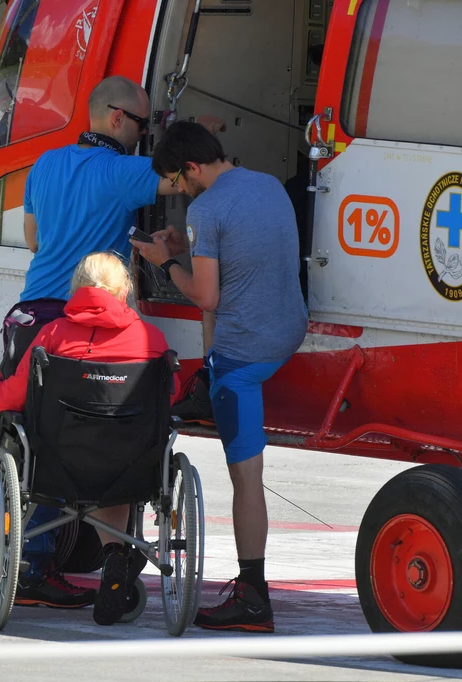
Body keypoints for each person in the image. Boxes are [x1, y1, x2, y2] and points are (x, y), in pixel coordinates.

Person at [0, 75, 210, 609]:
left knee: (8, 426)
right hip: (75, 320)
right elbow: (186, 180)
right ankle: (34, 565)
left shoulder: (44, 166)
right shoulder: (123, 171)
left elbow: (37, 239)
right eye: (142, 124)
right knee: (67, 435)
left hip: (29, 310)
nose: (144, 135)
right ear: (116, 119)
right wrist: (201, 139)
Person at [131, 121, 308, 633]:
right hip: (288, 331)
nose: (180, 191)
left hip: (245, 354)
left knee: (245, 481)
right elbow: (245, 254)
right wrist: (185, 246)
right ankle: (211, 383)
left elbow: (206, 296)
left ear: (190, 167)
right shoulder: (267, 184)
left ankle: (254, 596)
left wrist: (165, 262)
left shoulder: (206, 208)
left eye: (178, 182)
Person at [0, 252, 178, 626]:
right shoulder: (150, 338)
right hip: (129, 465)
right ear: (124, 290)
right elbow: (170, 394)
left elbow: (14, 396)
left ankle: (59, 558)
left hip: (57, 464)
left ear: (77, 288)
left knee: (75, 452)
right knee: (113, 460)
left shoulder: (52, 335)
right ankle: (116, 553)